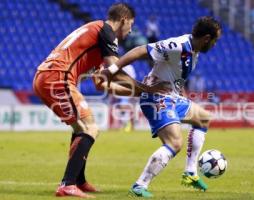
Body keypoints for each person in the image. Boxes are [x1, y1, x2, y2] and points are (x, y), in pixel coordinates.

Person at [33, 3, 168, 198]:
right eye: (131, 24)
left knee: (81, 128)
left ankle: (78, 181)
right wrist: (146, 88)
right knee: (91, 128)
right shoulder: (106, 31)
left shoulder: (96, 36)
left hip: (46, 77)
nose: (130, 31)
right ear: (124, 20)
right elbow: (116, 71)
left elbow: (101, 84)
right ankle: (67, 184)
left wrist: (140, 93)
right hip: (57, 77)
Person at [101, 16, 222, 197]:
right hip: (156, 97)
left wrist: (184, 98)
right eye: (214, 40)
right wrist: (110, 70)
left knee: (203, 117)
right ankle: (140, 185)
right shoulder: (177, 46)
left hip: (172, 97)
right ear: (206, 38)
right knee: (174, 143)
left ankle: (190, 173)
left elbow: (175, 79)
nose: (214, 45)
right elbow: (140, 50)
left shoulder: (193, 51)